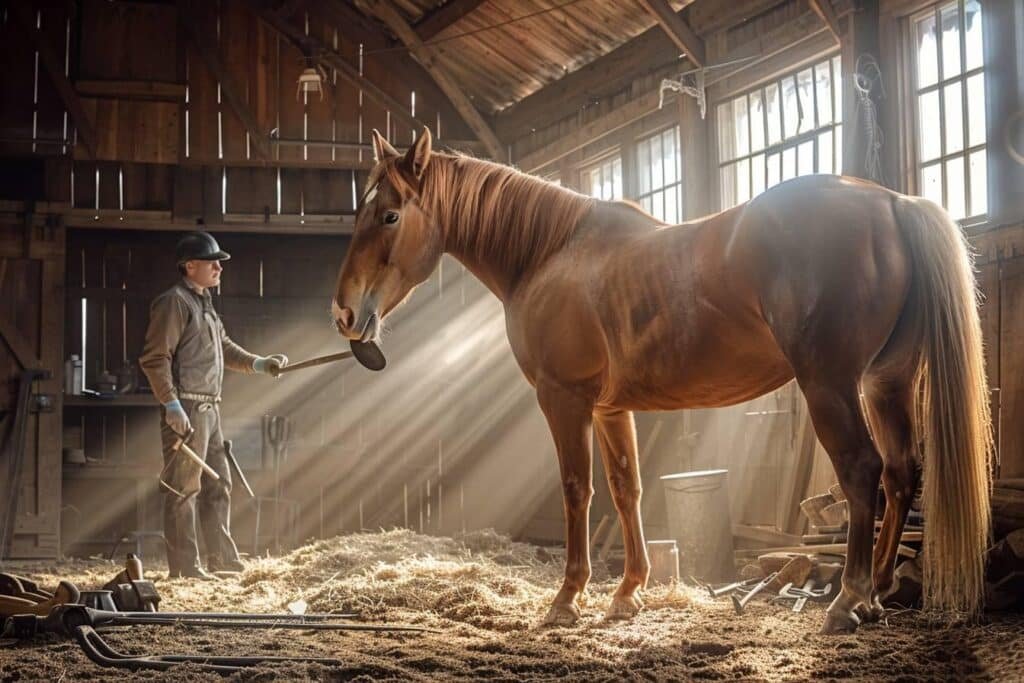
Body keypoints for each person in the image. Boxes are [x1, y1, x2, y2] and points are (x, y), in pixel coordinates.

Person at [139, 231, 288, 579]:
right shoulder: (173, 303)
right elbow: (154, 358)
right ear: (190, 266)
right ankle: (186, 569)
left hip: (211, 409)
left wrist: (261, 363)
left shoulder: (204, 304)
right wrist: (171, 405)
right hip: (187, 409)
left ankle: (222, 561)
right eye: (212, 262)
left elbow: (227, 348)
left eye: (220, 262)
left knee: (219, 483)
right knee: (183, 490)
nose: (220, 267)